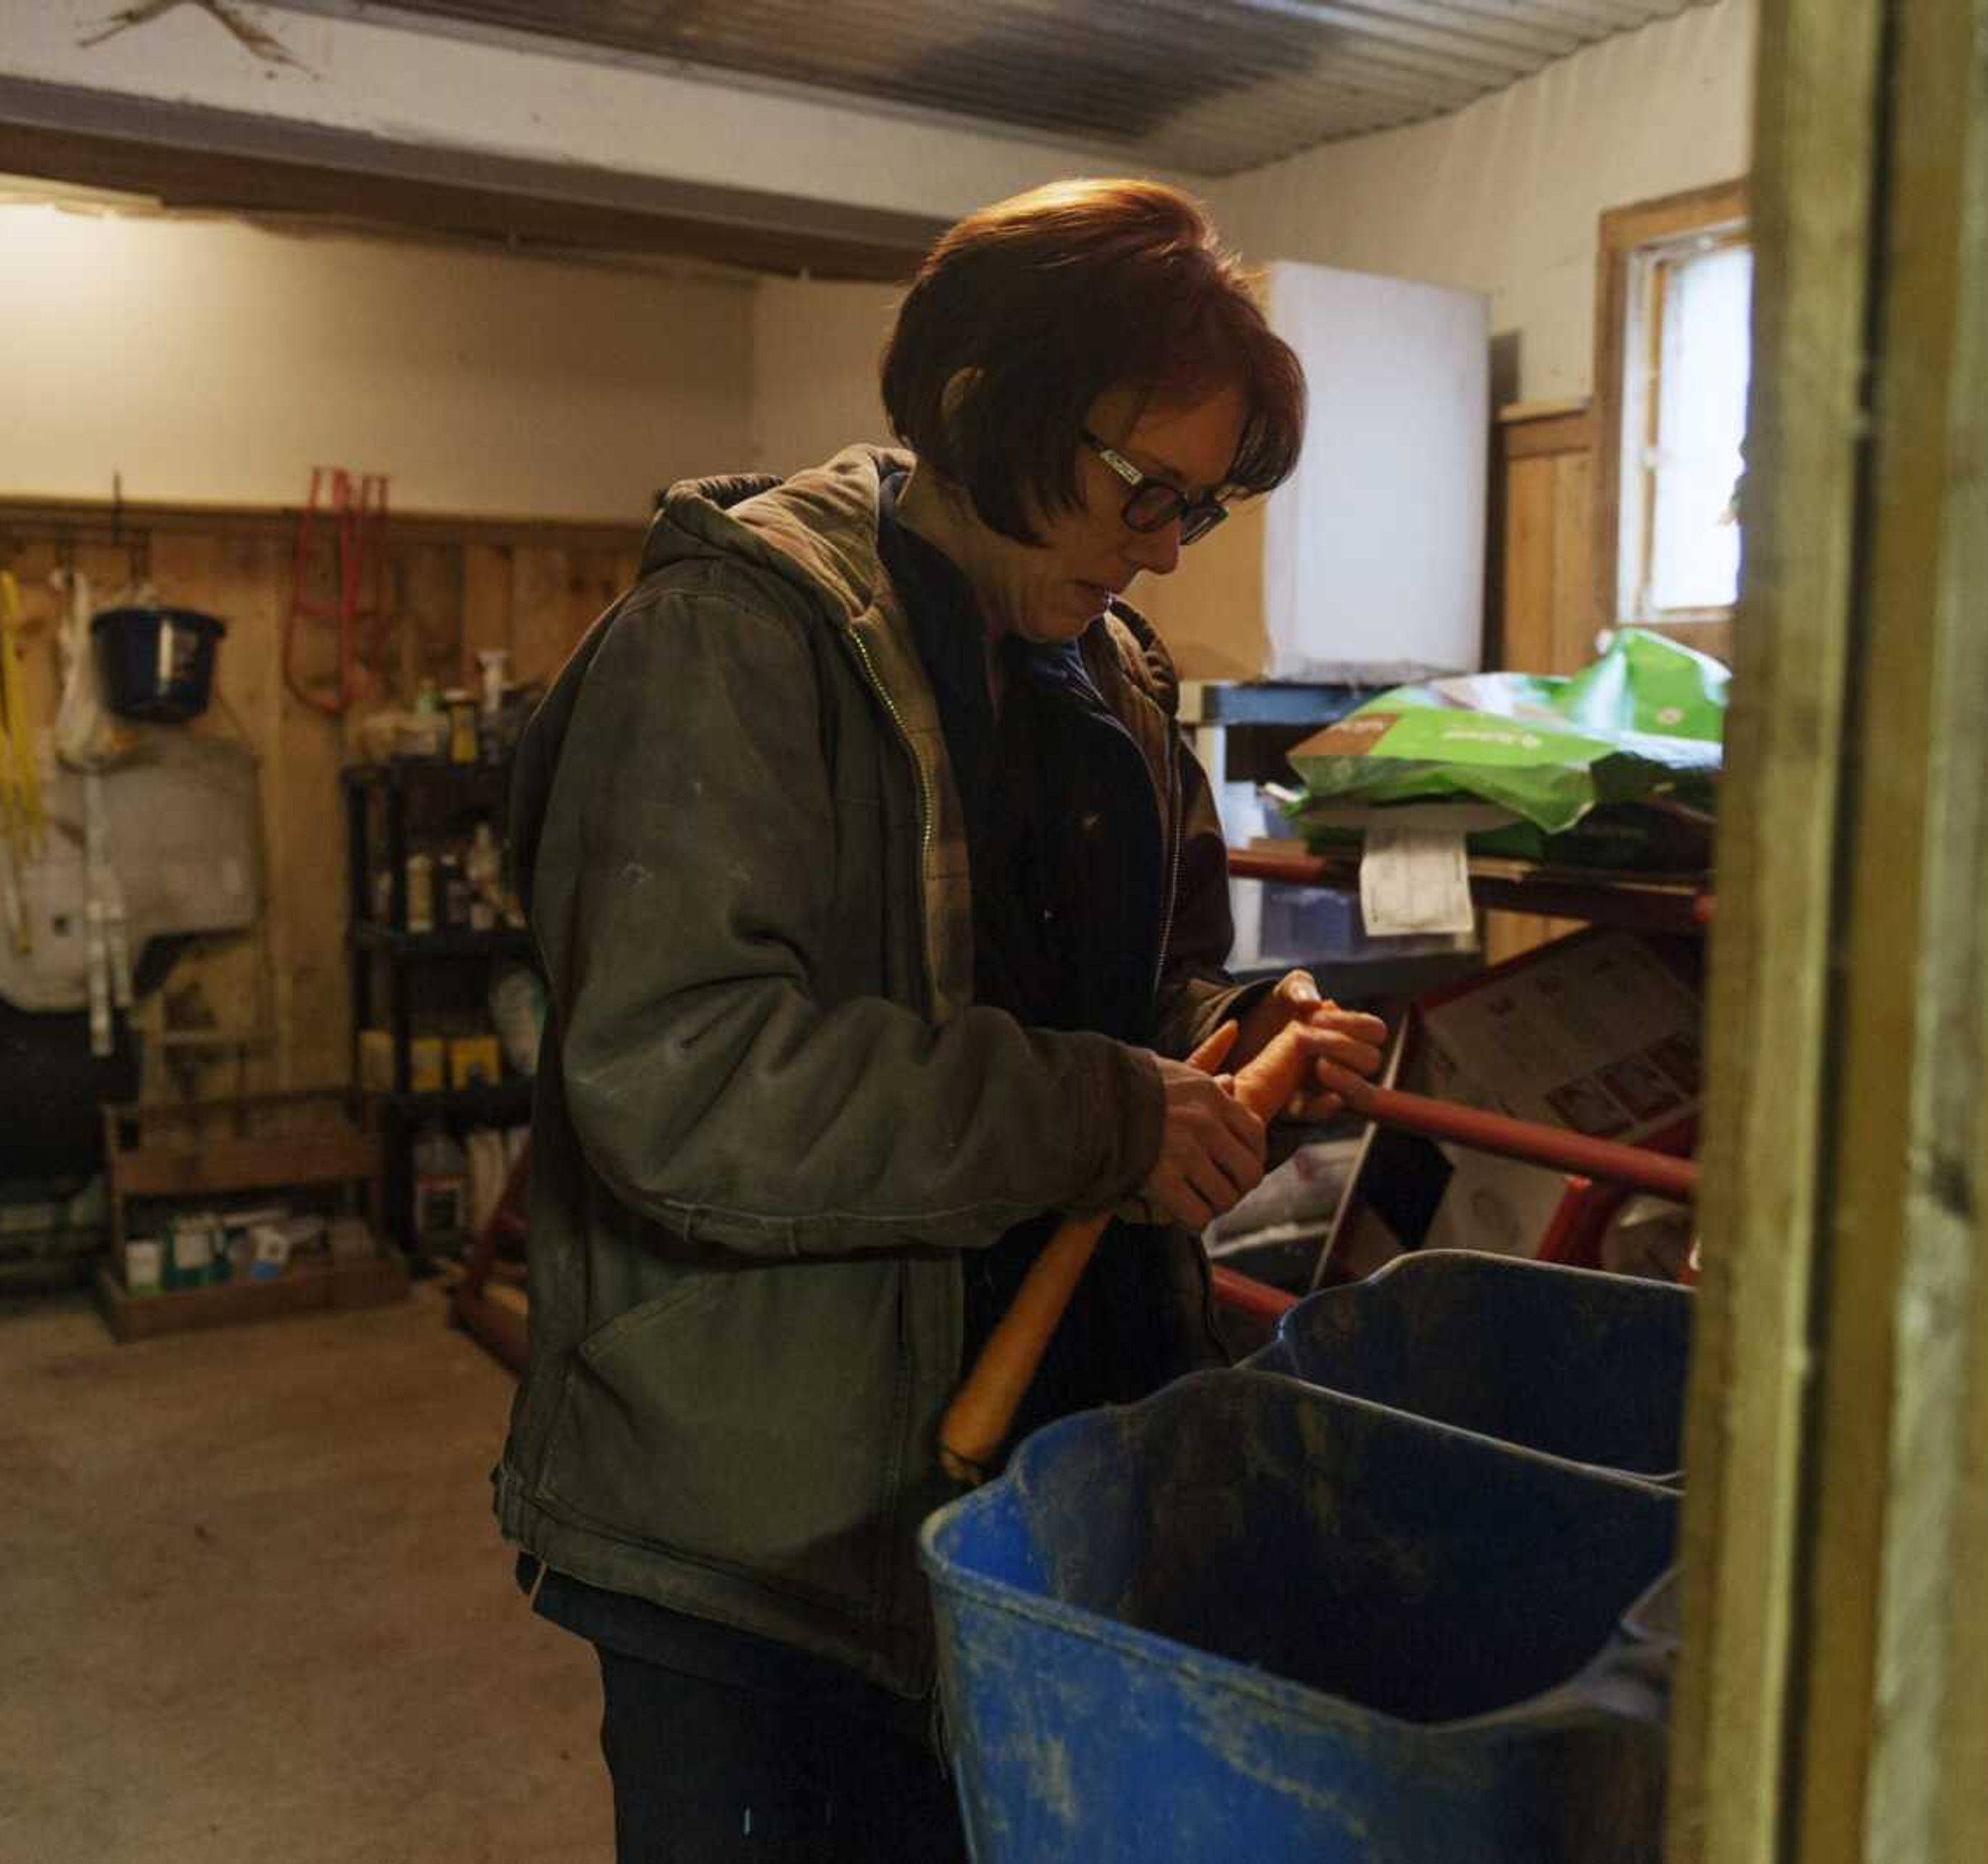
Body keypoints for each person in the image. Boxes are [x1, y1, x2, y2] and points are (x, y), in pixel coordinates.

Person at [495, 178, 1390, 1862]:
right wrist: (1110, 1119)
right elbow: (685, 1082)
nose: (1170, 547)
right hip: (776, 1538)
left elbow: (1140, 1007)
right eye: (1148, 489)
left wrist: (1251, 1029)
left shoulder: (1112, 670)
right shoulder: (737, 638)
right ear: (984, 408)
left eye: (1201, 505)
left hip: (1040, 1489)